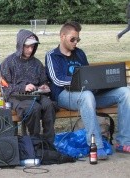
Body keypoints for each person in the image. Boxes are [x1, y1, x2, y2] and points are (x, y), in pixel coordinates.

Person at [45, 21, 130, 160]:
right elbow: (57, 80)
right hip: (64, 95)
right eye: (72, 39)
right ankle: (96, 145)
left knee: (126, 92)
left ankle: (124, 142)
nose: (75, 42)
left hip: (88, 94)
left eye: (78, 39)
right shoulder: (52, 55)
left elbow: (89, 76)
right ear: (62, 36)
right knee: (87, 95)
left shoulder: (80, 54)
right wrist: (83, 83)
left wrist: (102, 83)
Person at [1, 29, 56, 143]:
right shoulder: (9, 62)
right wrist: (23, 88)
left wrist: (44, 87)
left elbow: (43, 81)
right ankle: (34, 141)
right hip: (16, 96)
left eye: (33, 47)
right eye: (27, 47)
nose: (30, 50)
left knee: (49, 105)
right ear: (20, 45)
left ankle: (48, 142)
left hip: (36, 95)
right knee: (34, 108)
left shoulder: (37, 63)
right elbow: (5, 87)